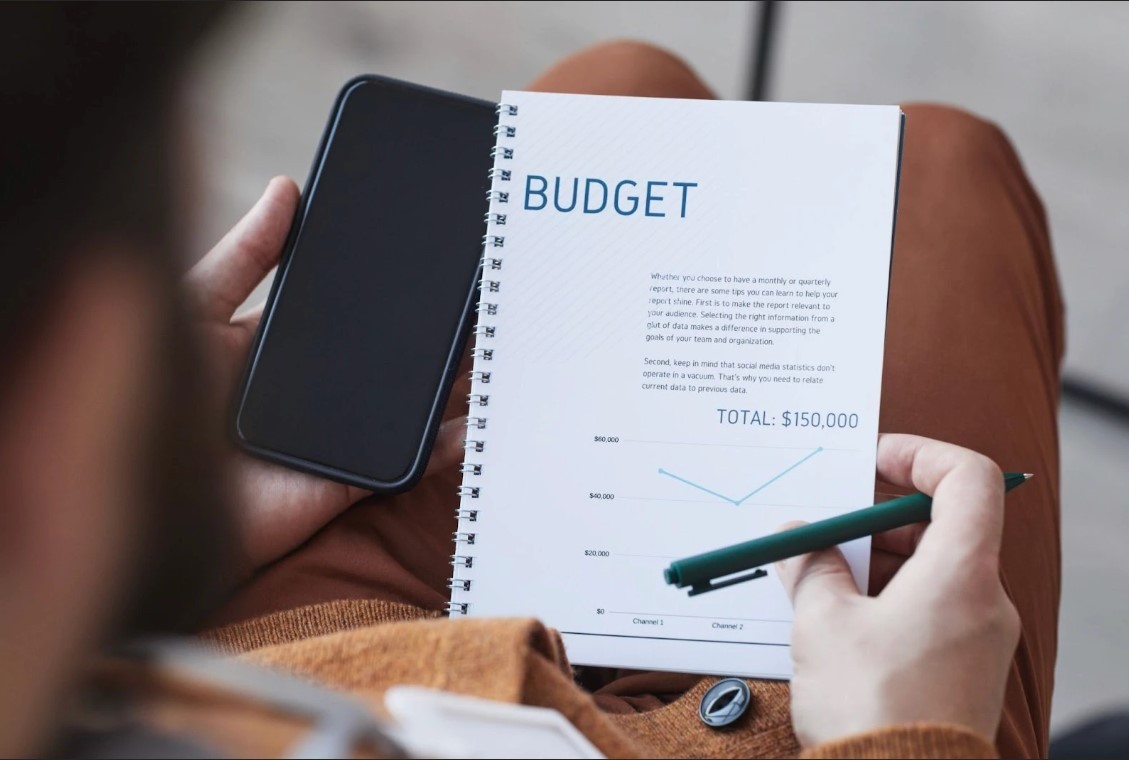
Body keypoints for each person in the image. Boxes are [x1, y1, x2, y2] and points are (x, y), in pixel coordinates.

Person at [0, 4, 1062, 758]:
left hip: (272, 652)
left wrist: (145, 542)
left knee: (629, 81)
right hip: (815, 720)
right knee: (946, 165)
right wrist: (908, 738)